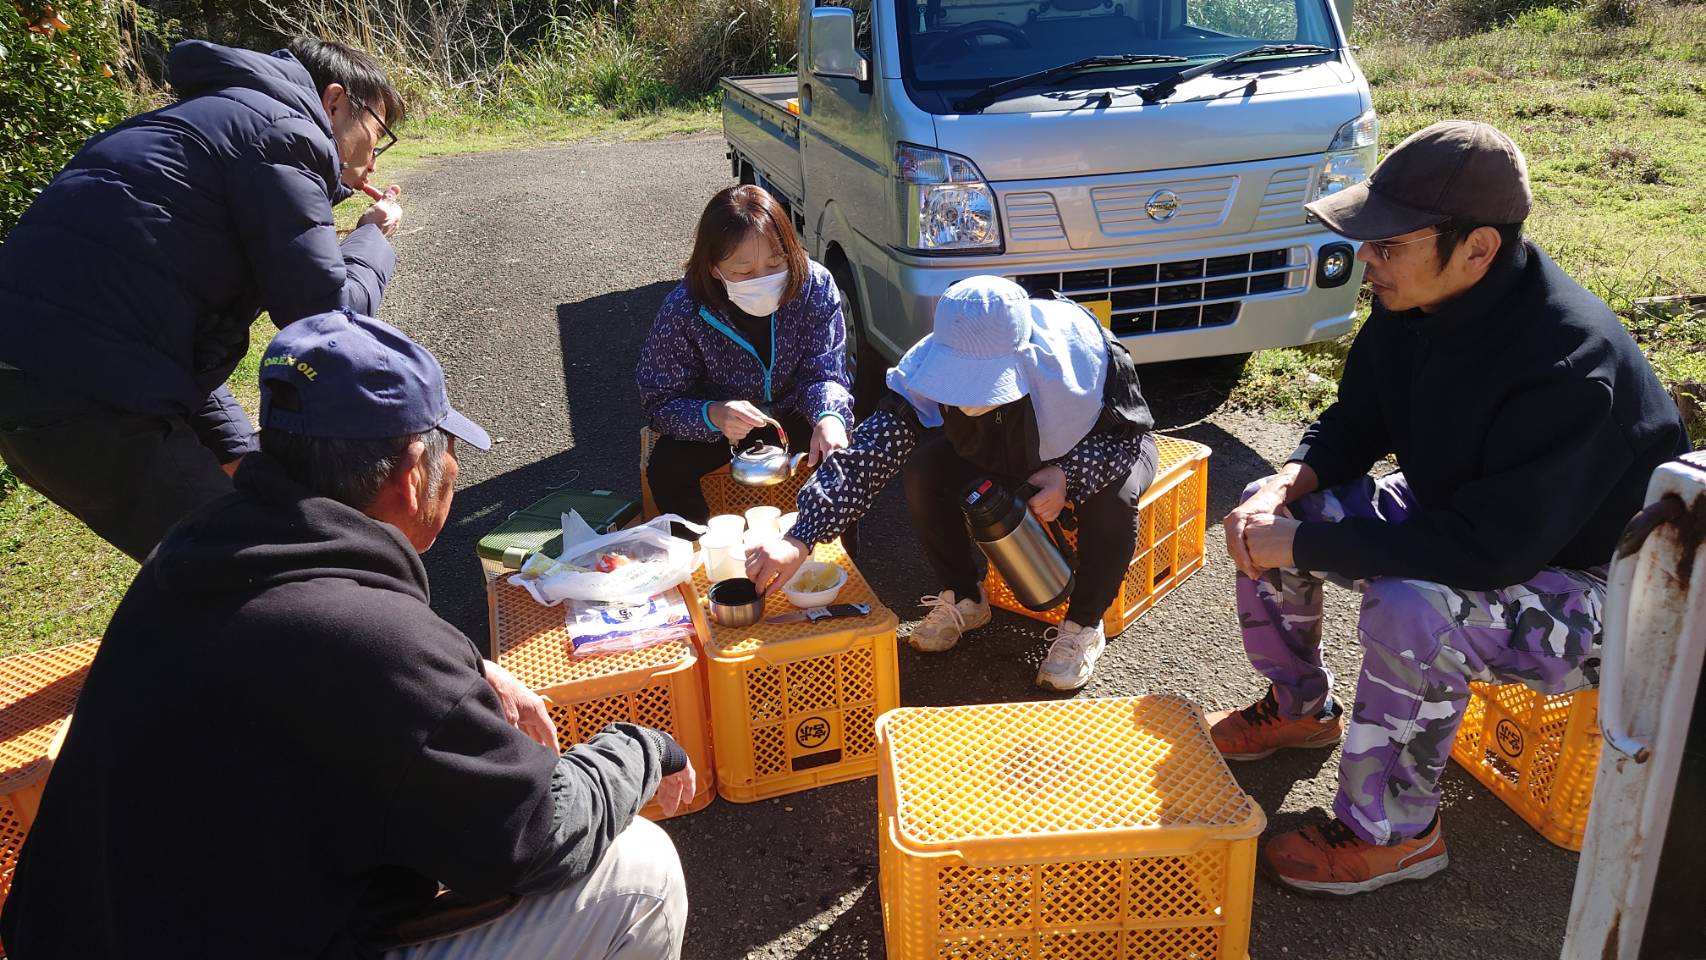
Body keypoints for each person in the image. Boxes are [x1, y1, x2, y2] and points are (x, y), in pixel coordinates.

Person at [0, 311, 694, 960]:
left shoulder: (192, 555)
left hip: (89, 932)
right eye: (447, 449)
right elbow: (537, 835)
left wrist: (466, 668)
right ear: (411, 472)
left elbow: (316, 662)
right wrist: (641, 745)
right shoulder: (370, 642)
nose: (452, 468)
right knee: (638, 870)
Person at [1208, 121, 1691, 896]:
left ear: (1478, 248)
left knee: (1413, 611)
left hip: (1599, 587)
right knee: (1264, 520)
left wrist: (1297, 547)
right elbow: (1358, 419)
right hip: (1467, 516)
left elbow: (1486, 556)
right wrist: (1288, 482)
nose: (1368, 259)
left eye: (1388, 244)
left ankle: (1397, 833)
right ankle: (1302, 708)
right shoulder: (1415, 304)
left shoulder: (1569, 366)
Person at [0, 37, 408, 561]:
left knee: (233, 512)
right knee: (255, 567)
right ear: (334, 102)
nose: (373, 157)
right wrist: (373, 234)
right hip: (89, 390)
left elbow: (177, 333)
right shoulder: (285, 130)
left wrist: (243, 456)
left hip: (55, 370)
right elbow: (328, 319)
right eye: (376, 135)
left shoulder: (218, 117)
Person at [746, 275, 1158, 691]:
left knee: (1114, 500)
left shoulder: (1080, 358)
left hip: (1098, 453)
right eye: (958, 380)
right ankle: (965, 596)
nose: (968, 396)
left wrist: (1067, 475)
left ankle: (1083, 625)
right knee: (926, 470)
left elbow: (1128, 440)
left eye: (984, 380)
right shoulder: (925, 365)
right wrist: (800, 536)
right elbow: (869, 453)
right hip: (1002, 450)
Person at [636, 185, 853, 542]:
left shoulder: (815, 286)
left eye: (775, 263)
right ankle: (701, 556)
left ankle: (833, 556)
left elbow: (824, 373)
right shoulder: (685, 308)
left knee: (839, 454)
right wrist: (713, 415)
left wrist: (829, 417)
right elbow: (660, 401)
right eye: (744, 271)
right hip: (723, 425)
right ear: (714, 269)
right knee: (667, 467)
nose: (763, 279)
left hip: (795, 410)